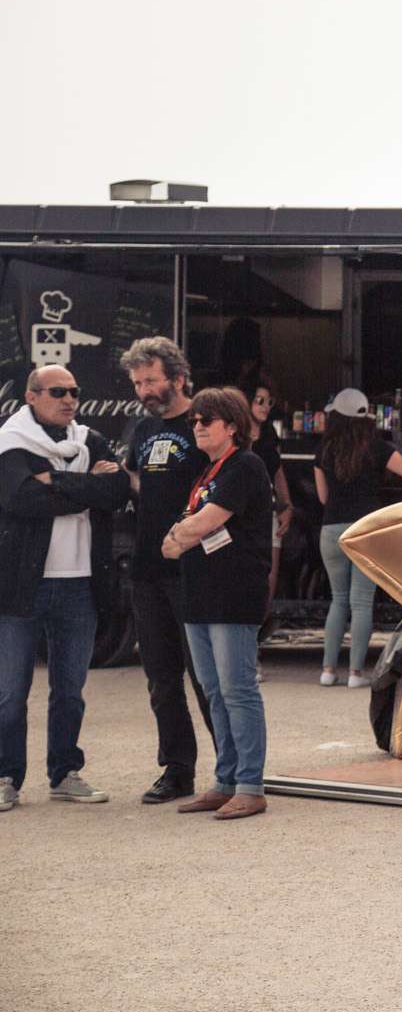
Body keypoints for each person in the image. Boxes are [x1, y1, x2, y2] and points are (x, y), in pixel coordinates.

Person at [0, 366, 131, 811]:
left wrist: (55, 481)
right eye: (58, 392)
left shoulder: (91, 439)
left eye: (74, 391)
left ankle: (64, 774)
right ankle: (6, 777)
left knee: (70, 691)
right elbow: (20, 499)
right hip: (21, 586)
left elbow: (116, 492)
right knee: (10, 694)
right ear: (32, 396)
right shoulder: (12, 443)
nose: (70, 399)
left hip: (79, 586)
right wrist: (89, 484)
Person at [161, 387, 274, 820]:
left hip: (233, 595)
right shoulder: (208, 472)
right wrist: (185, 533)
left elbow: (204, 523)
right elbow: (181, 537)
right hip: (200, 595)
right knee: (213, 691)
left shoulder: (244, 465)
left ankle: (250, 785)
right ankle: (225, 781)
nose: (198, 426)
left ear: (232, 426)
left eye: (207, 419)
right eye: (194, 420)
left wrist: (183, 533)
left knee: (237, 690)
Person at [120, 337, 213, 805]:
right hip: (147, 570)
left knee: (206, 677)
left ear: (177, 377)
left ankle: (234, 770)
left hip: (193, 570)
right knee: (161, 679)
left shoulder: (204, 423)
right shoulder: (142, 428)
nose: (144, 391)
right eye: (138, 383)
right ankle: (177, 771)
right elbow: (137, 479)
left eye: (151, 381)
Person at [315, 387, 402, 688]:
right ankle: (355, 673)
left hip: (331, 530)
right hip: (365, 530)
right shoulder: (377, 447)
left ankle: (327, 670)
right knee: (361, 601)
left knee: (338, 600)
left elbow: (323, 497)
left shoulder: (323, 450)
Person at [246, 379, 294, 606]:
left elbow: (278, 471)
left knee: (269, 575)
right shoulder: (233, 432)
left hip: (268, 507)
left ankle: (260, 623)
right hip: (240, 511)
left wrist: (286, 504)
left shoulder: (269, 434)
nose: (265, 406)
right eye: (259, 400)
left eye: (269, 402)